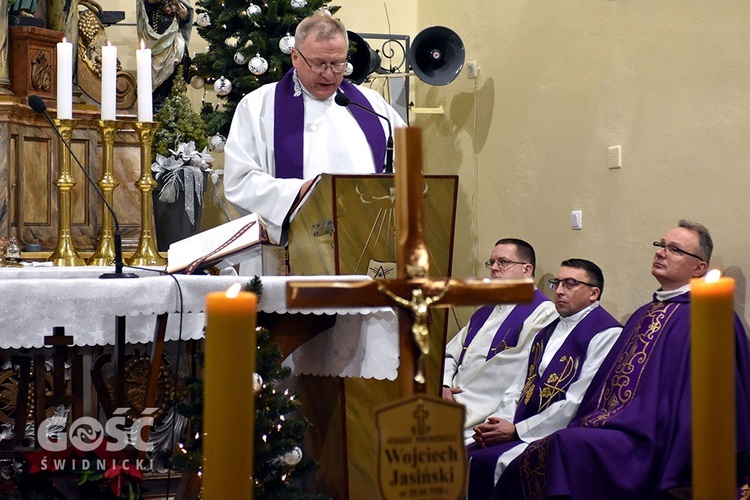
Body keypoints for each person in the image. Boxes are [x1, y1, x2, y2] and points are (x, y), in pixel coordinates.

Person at [494, 220, 750, 499]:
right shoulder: (644, 313)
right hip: (620, 428)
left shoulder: (711, 317)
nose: (661, 252)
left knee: (564, 446)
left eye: (674, 249)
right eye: (661, 245)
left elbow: (717, 400)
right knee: (557, 445)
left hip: (660, 442)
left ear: (699, 267)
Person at [223, 12, 406, 246]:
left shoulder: (373, 106)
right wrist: (300, 192)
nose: (329, 74)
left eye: (338, 63)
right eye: (319, 64)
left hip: (365, 243)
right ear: (296, 57)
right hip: (292, 252)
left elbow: (407, 171)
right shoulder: (257, 106)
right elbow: (240, 182)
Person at [466, 258, 622, 498]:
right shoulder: (547, 329)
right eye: (556, 282)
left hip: (558, 436)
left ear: (593, 293)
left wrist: (517, 430)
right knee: (468, 455)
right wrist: (498, 422)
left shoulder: (606, 334)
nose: (559, 290)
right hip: (521, 425)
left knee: (501, 465)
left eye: (570, 284)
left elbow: (576, 402)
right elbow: (519, 385)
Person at [442, 238, 557, 444]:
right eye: (492, 263)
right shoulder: (486, 311)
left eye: (503, 262)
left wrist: (461, 401)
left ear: (526, 269)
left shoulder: (542, 311)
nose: (494, 268)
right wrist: (443, 384)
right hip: (452, 400)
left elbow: (516, 369)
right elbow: (451, 353)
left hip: (482, 412)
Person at [136, 0, 194, 111]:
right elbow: (144, 9)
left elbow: (185, 14)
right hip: (155, 42)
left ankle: (173, 101)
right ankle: (158, 102)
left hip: (174, 41)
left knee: (178, 68)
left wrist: (184, 15)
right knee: (155, 75)